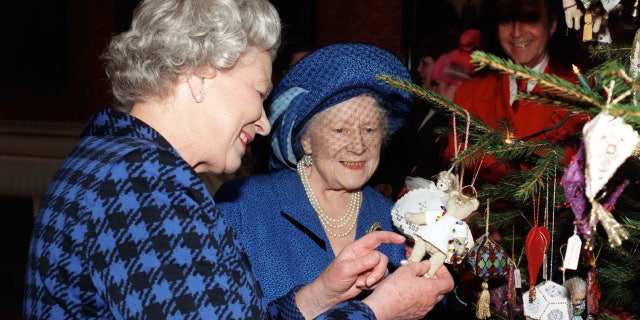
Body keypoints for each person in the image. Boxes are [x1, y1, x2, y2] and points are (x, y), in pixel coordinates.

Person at [22, 1, 452, 319]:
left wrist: (318, 295)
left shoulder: (114, 158)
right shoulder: (144, 188)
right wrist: (378, 312)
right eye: (259, 94)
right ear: (200, 75)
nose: (265, 124)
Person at [214, 43, 454, 313]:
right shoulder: (245, 205)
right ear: (305, 140)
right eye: (340, 129)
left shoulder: (396, 219)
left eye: (369, 129)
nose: (358, 146)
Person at [443, 0, 586, 185]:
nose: (517, 32)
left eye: (529, 18)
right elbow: (454, 178)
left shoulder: (583, 94)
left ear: (552, 24)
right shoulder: (468, 94)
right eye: (506, 20)